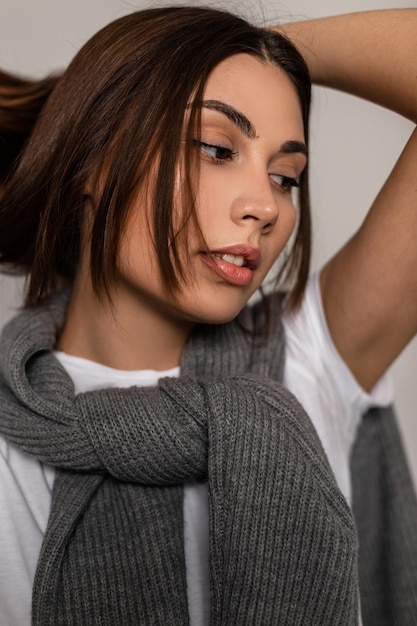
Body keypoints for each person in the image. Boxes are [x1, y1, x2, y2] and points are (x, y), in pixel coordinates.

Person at [0, 5, 416, 625]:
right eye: (218, 149)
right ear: (93, 157)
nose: (265, 207)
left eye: (286, 177)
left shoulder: (308, 360)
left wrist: (253, 48)